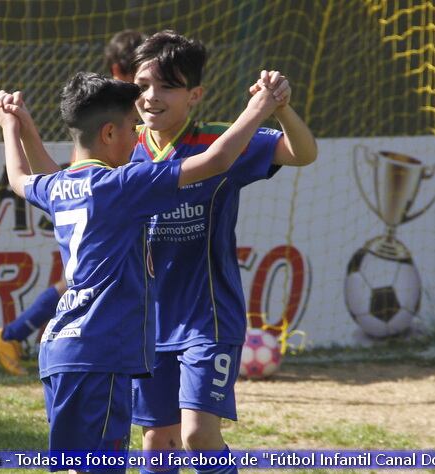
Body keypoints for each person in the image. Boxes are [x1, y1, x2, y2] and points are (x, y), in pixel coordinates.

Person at [0, 71, 280, 465]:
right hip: (102, 351)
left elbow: (21, 178)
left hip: (59, 351)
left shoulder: (58, 187)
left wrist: (14, 126)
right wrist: (260, 107)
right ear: (109, 134)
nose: (137, 136)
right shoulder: (123, 184)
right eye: (131, 127)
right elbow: (217, 159)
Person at [127, 31, 316, 474]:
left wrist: (282, 108)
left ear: (195, 95)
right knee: (157, 441)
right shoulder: (122, 146)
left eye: (167, 87)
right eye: (142, 86)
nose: (151, 97)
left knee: (196, 435)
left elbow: (302, 153)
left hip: (207, 318)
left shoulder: (222, 141)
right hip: (146, 323)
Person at [0, 30, 148, 376]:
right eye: (142, 70)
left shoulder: (108, 134)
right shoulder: (112, 157)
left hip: (67, 353)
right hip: (102, 347)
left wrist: (16, 128)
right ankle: (12, 333)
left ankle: (13, 333)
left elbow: (29, 180)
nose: (149, 87)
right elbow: (211, 163)